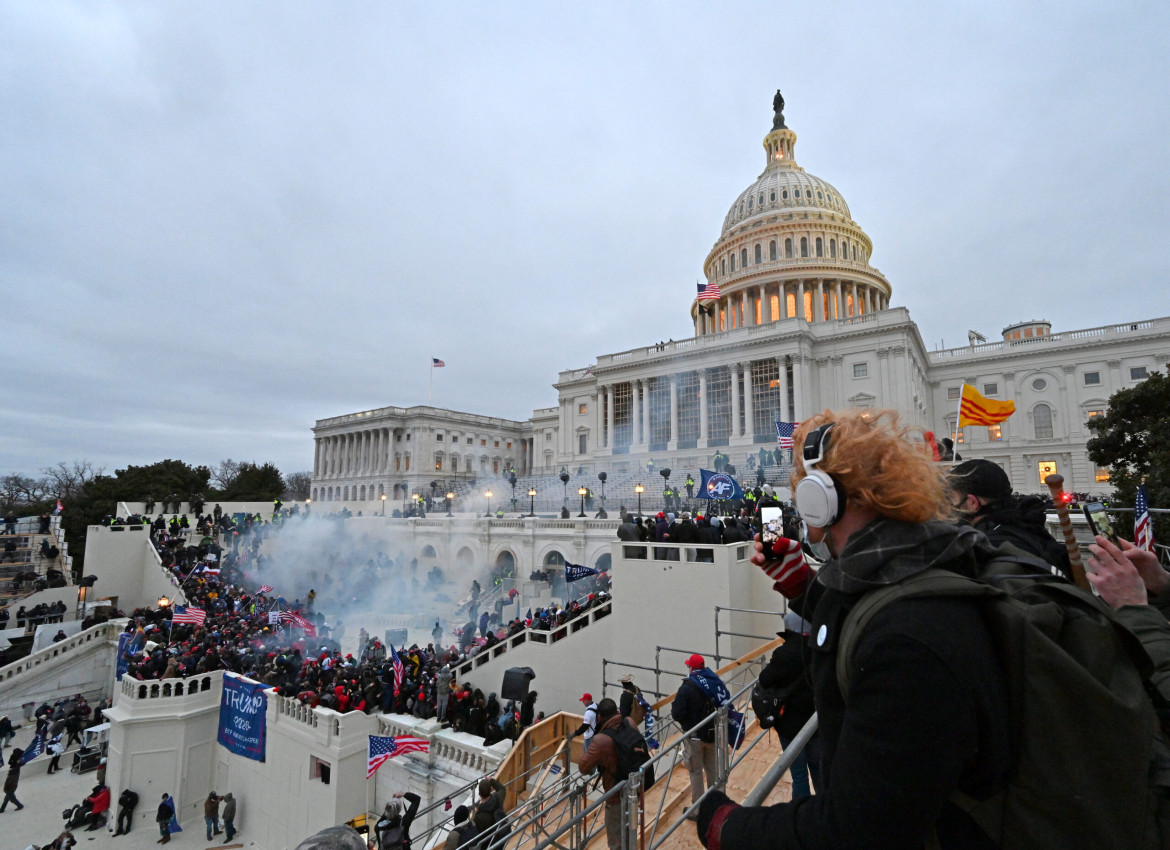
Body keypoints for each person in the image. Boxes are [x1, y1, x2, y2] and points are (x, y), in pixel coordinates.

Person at [697, 409, 1015, 849]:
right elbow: (868, 610)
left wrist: (729, 826)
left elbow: (859, 829)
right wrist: (802, 587)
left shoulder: (906, 639)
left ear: (819, 496)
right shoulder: (915, 559)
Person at [949, 458, 1071, 579]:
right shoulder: (1031, 527)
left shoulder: (986, 550)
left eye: (953, 500)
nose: (951, 507)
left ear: (972, 502)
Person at [671, 654, 730, 811]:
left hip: (694, 738)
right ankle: (716, 806)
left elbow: (677, 713)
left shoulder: (686, 688)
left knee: (696, 772)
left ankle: (697, 810)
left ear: (690, 668)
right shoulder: (712, 682)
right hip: (712, 734)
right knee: (713, 770)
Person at [577, 698, 631, 850]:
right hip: (635, 786)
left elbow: (583, 767)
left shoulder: (602, 740)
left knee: (615, 836)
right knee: (629, 826)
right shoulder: (629, 723)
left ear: (600, 717)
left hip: (615, 792)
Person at [471, 777, 508, 848]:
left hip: (488, 845)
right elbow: (502, 788)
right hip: (500, 837)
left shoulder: (478, 817)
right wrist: (491, 780)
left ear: (479, 794)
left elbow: (476, 836)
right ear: (491, 790)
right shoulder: (498, 797)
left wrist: (474, 814)